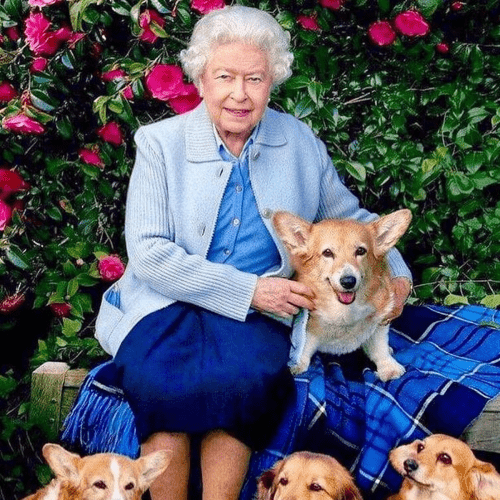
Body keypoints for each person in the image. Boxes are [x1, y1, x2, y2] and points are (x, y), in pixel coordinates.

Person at [93, 6, 412, 500]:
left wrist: (398, 276)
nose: (239, 94)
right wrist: (250, 290)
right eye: (225, 76)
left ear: (272, 82)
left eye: (255, 79)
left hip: (261, 313)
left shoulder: (298, 141)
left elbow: (351, 218)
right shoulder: (160, 144)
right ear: (201, 79)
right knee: (158, 380)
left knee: (246, 378)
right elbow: (150, 254)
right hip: (165, 301)